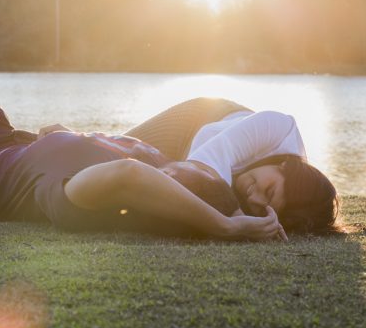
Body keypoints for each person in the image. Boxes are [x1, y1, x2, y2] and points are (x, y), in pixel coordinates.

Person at [0, 53, 287, 241]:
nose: (175, 167)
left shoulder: (88, 200)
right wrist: (71, 134)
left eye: (179, 178)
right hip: (26, 146)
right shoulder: (158, 165)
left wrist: (226, 225)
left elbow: (128, 176)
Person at [122, 98, 339, 234]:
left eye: (263, 209)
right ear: (284, 166)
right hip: (189, 123)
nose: (254, 199)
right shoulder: (278, 127)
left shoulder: (260, 198)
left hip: (180, 164)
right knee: (108, 158)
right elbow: (203, 166)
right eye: (269, 190)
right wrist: (233, 219)